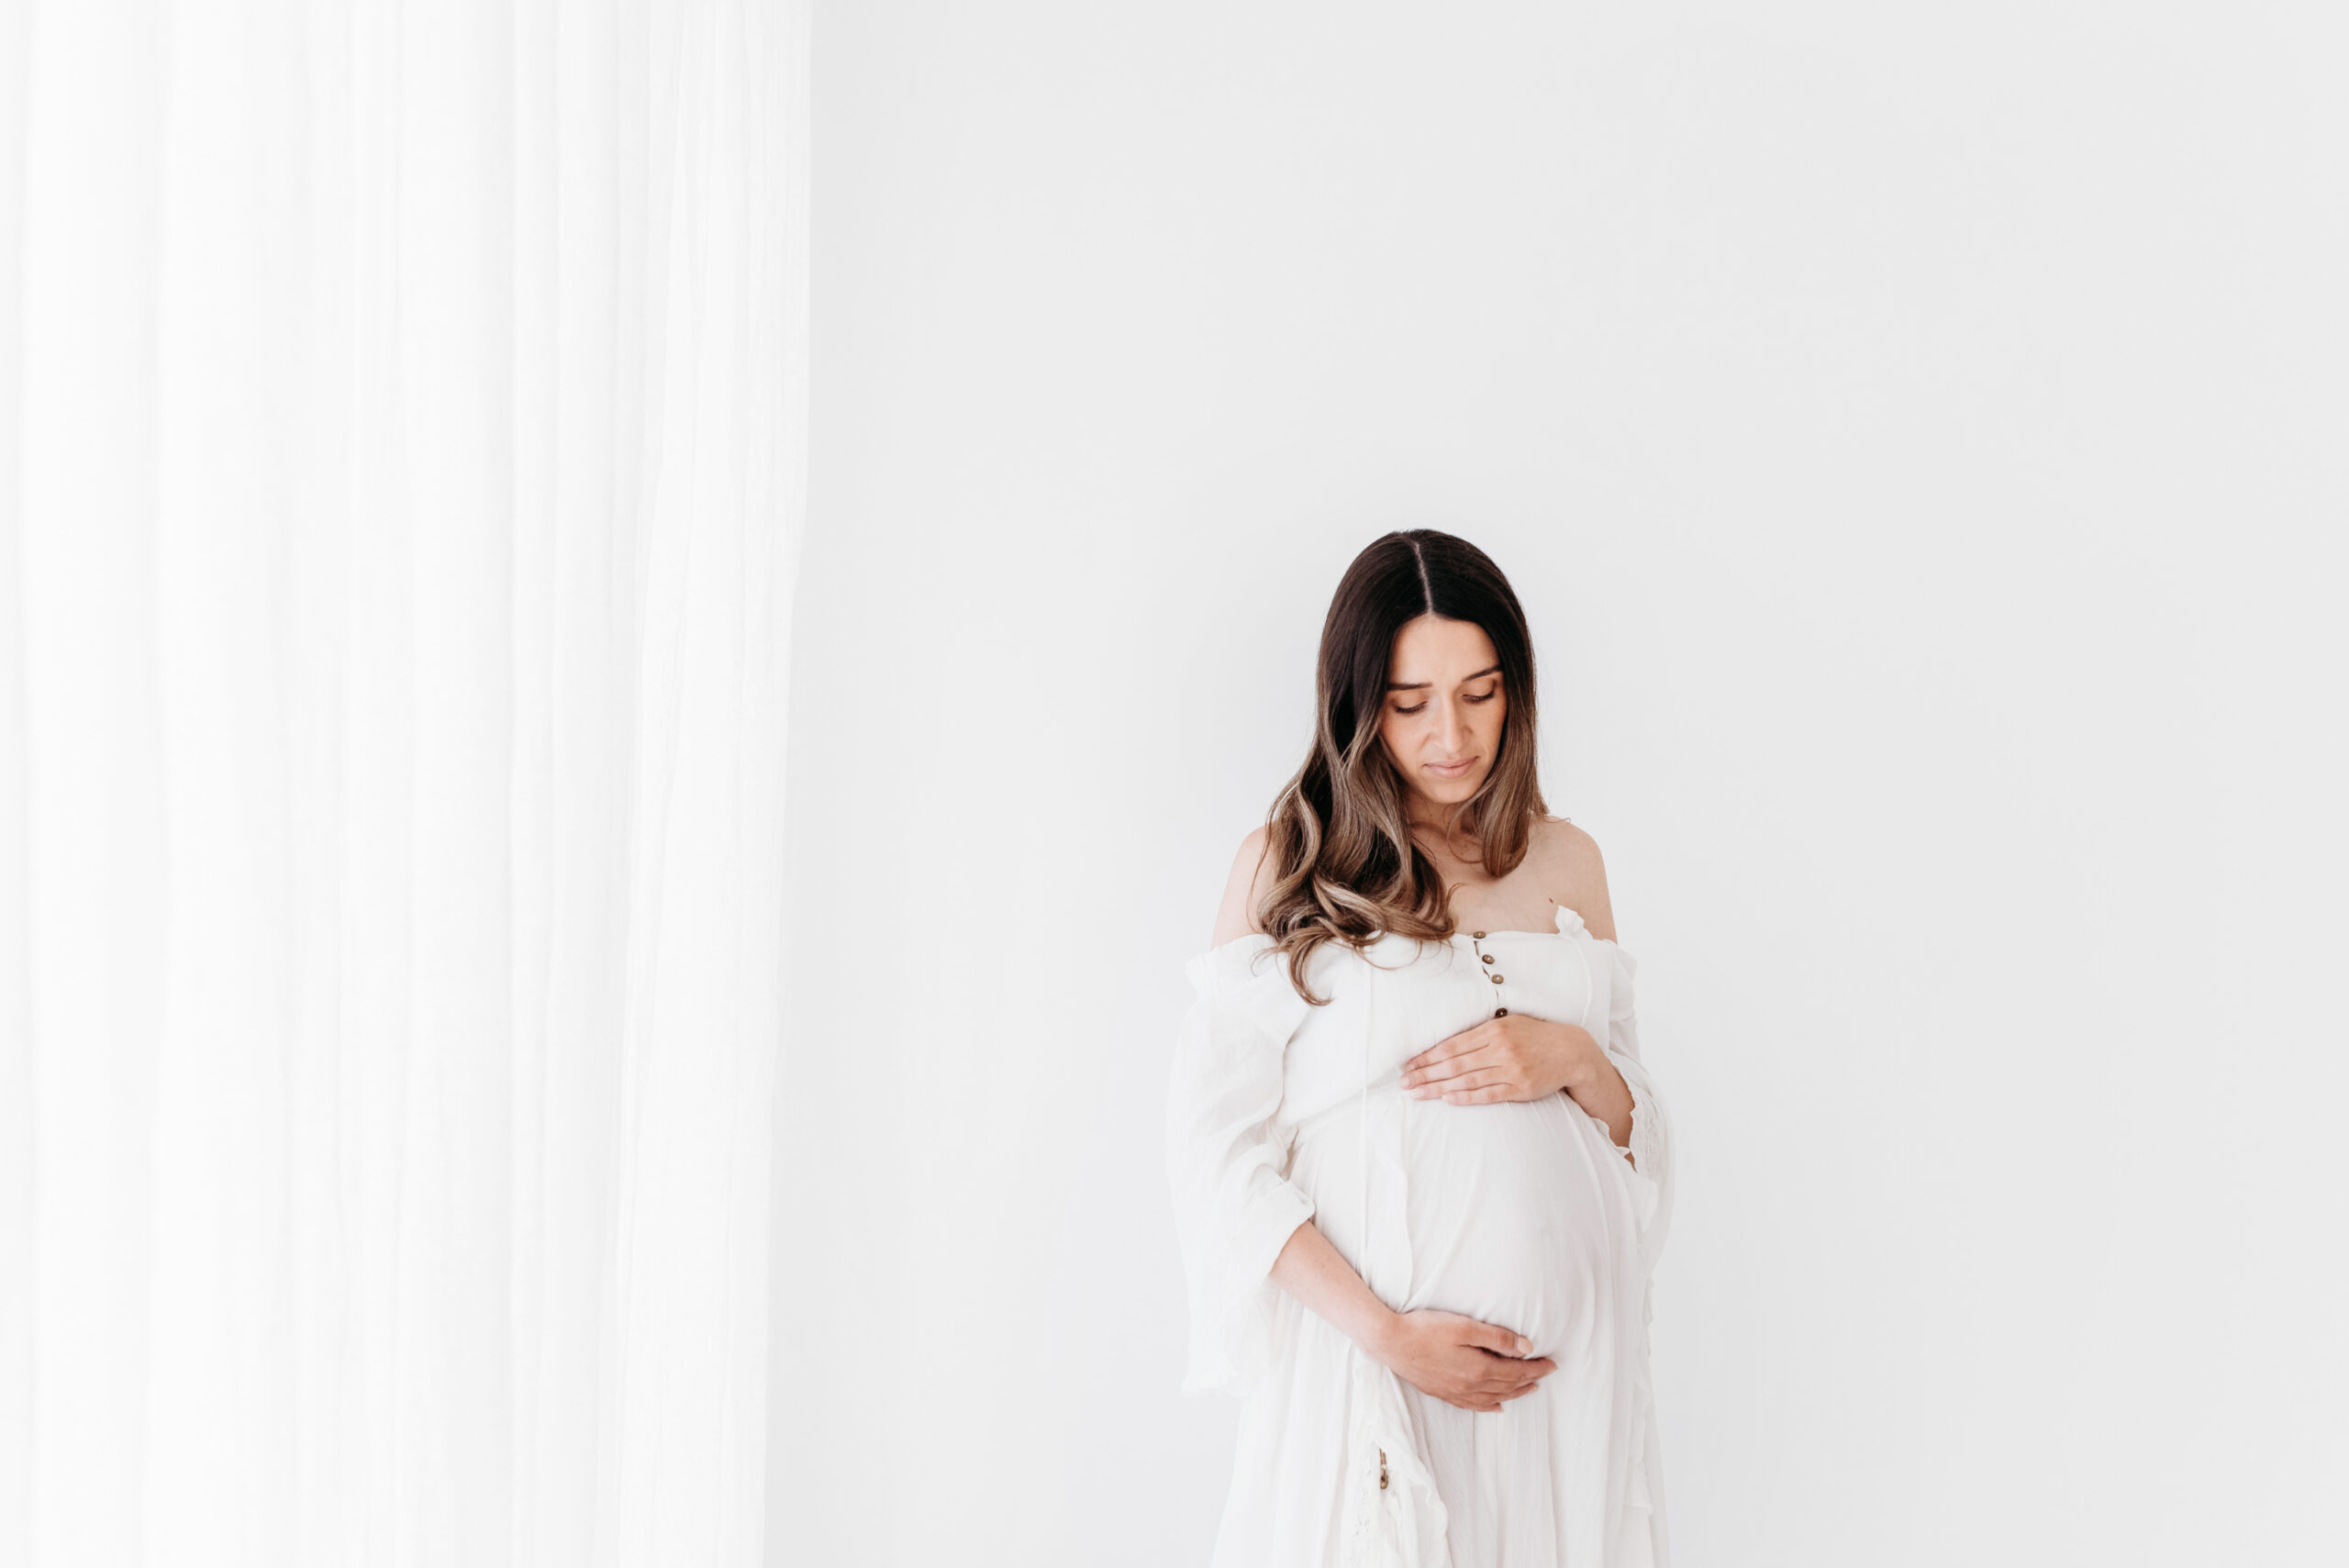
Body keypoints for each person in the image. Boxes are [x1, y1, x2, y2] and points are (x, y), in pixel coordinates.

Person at [1165, 529, 1675, 1567]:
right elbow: (1213, 1158)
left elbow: (1639, 1131)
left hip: (1565, 1387)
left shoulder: (1569, 860)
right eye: (1411, 703)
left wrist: (1575, 1057)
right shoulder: (1286, 865)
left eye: (1481, 692)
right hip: (1379, 1373)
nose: (1453, 734)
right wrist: (1389, 1334)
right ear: (1359, 704)